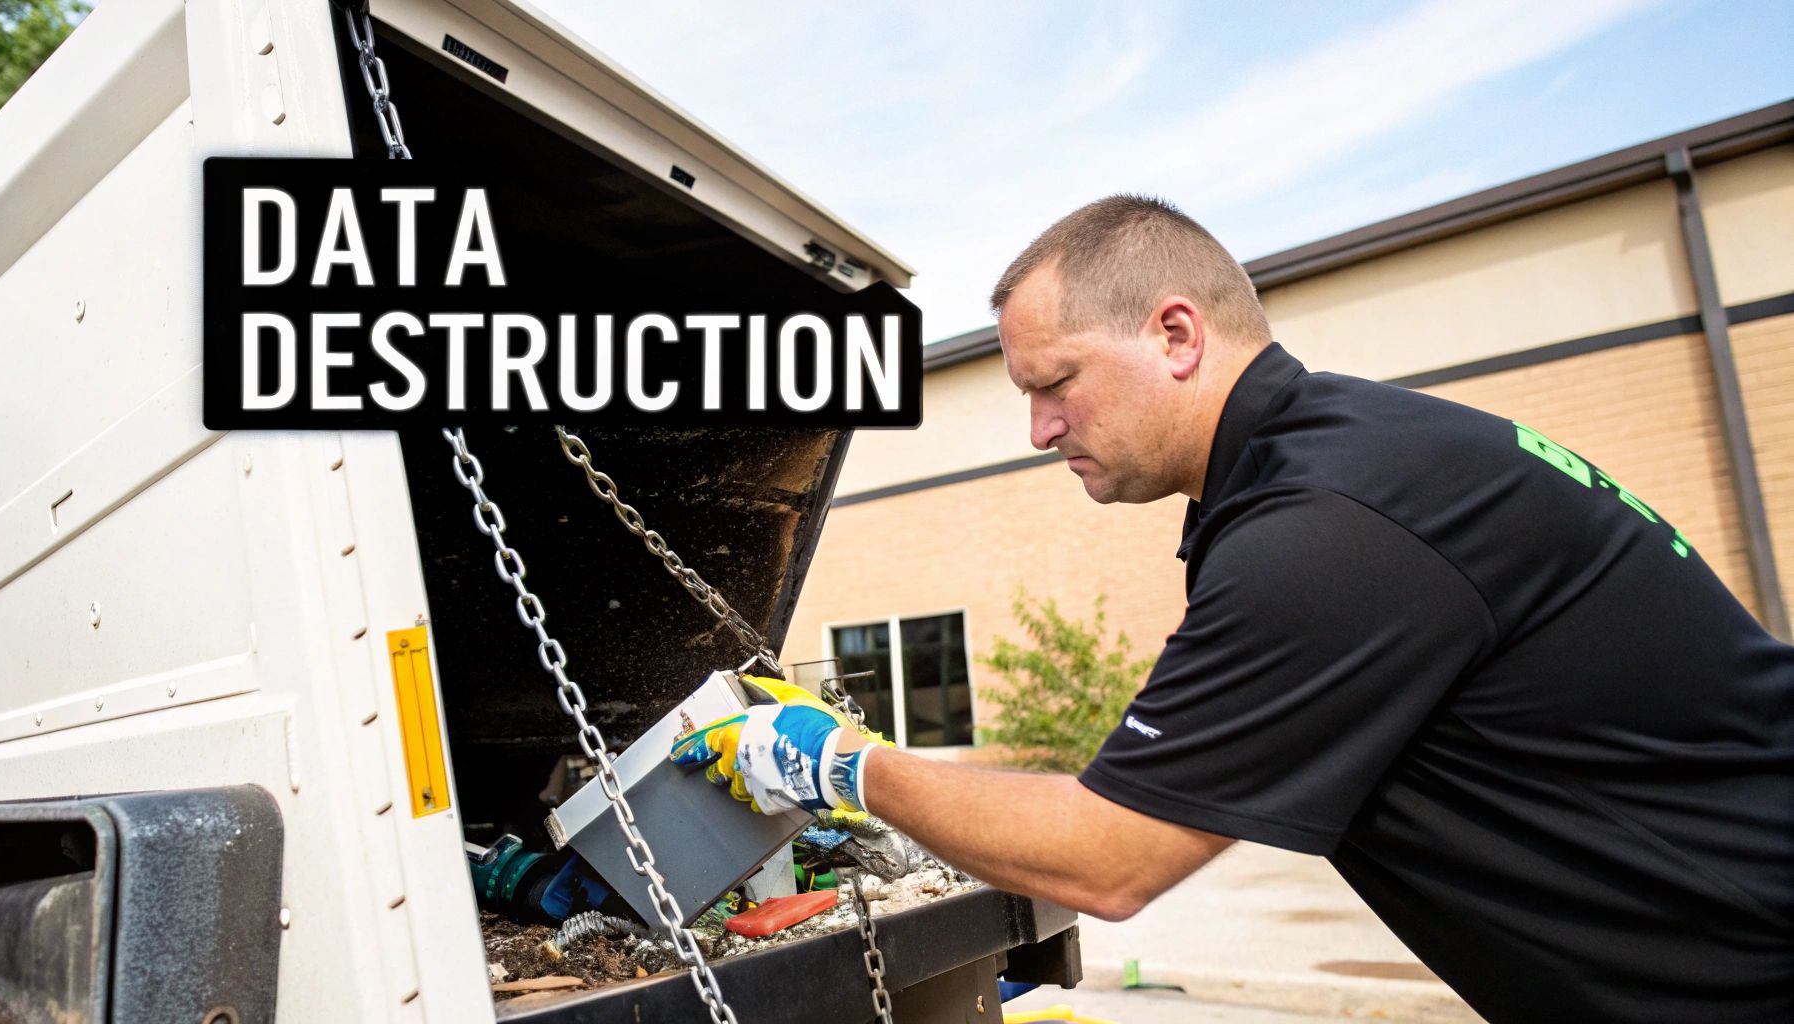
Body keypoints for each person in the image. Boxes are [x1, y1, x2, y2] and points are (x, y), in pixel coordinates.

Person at [671, 195, 1794, 1022]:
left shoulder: (1329, 527)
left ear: (1174, 333)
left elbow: (1106, 857)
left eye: (1052, 383)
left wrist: (838, 759)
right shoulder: (1349, 462)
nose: (1038, 430)